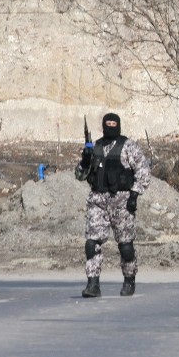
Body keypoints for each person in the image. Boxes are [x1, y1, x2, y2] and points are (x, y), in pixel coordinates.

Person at [75, 113, 151, 298]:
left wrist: (134, 194)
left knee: (126, 247)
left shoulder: (128, 147)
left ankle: (129, 278)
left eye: (113, 124)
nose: (110, 127)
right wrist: (85, 161)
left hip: (121, 201)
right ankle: (93, 284)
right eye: (107, 124)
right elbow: (80, 175)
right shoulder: (96, 147)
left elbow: (143, 171)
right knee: (92, 243)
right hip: (98, 200)